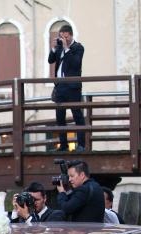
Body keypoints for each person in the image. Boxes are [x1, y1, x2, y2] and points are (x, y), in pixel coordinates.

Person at [48, 24, 86, 152]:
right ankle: (63, 145)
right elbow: (50, 60)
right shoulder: (59, 48)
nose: (63, 39)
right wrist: (54, 48)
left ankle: (81, 145)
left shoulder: (78, 48)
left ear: (70, 35)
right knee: (60, 117)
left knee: (77, 116)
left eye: (65, 36)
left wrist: (66, 48)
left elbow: (75, 64)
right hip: (60, 87)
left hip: (73, 87)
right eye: (61, 36)